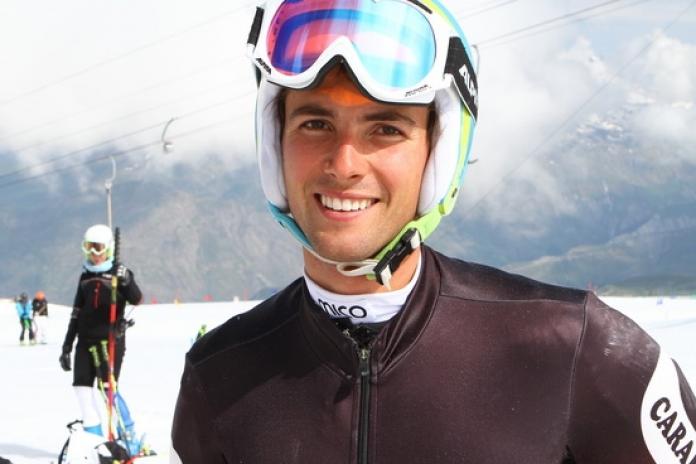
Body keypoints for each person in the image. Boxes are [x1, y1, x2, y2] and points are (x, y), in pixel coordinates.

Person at [172, 1, 696, 462]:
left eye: (385, 128)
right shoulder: (217, 377)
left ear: (437, 157)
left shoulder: (578, 350)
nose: (344, 163)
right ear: (276, 144)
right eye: (315, 123)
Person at [59, 224, 145, 456]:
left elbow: (137, 299)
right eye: (89, 247)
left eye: (97, 248)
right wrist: (67, 346)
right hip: (84, 342)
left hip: (110, 341)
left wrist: (126, 280)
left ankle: (129, 437)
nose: (93, 254)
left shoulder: (119, 273)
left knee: (108, 390)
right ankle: (94, 440)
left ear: (108, 249)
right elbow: (76, 313)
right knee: (81, 390)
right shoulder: (85, 277)